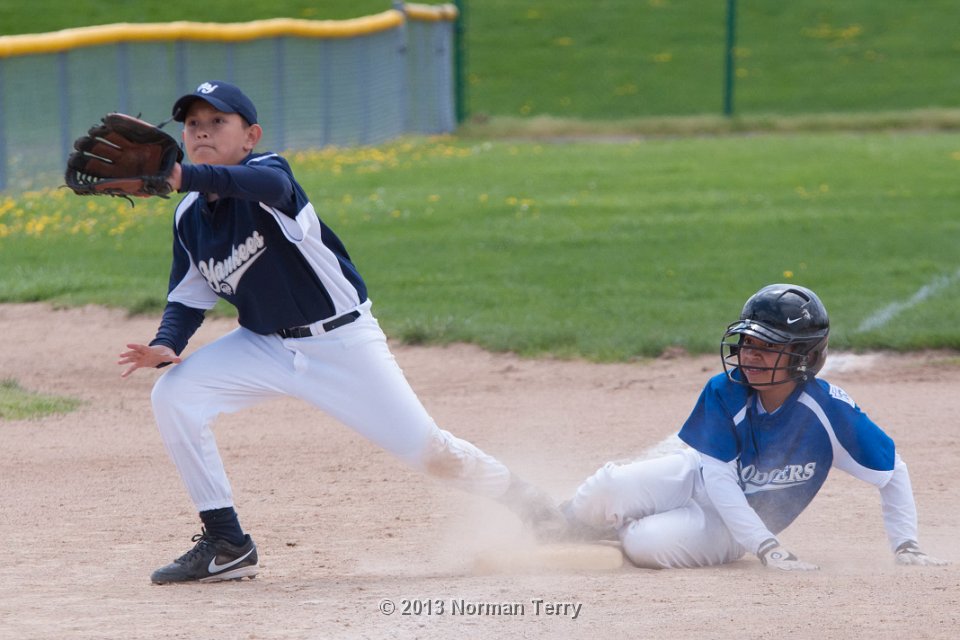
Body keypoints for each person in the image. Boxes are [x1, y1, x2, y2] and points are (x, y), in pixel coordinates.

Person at [118, 81, 562, 584]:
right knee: (175, 394)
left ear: (250, 136)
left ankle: (537, 508)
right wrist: (167, 343)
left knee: (431, 452)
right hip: (264, 346)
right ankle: (227, 543)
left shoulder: (271, 176)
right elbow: (189, 294)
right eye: (193, 124)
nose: (202, 131)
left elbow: (265, 186)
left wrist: (183, 175)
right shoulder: (188, 216)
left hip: (341, 343)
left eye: (218, 121)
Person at [560, 283, 947, 570]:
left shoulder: (829, 411)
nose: (750, 355)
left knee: (648, 544)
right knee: (608, 485)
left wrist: (906, 545)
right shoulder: (724, 390)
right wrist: (768, 548)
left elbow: (892, 471)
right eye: (746, 342)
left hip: (733, 528)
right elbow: (718, 480)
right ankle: (560, 522)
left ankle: (615, 529)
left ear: (805, 356)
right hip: (698, 478)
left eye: (768, 347)